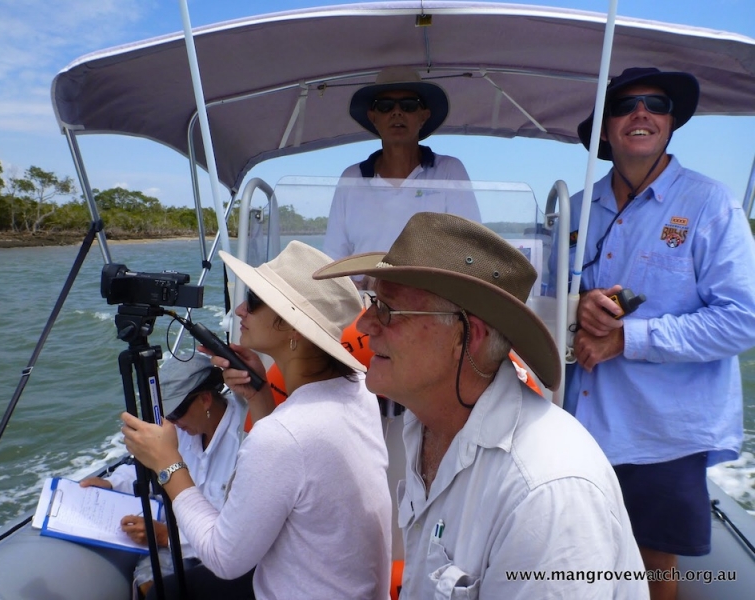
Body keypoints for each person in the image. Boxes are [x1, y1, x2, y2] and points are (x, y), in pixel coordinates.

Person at [313, 211, 647, 599]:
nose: (367, 323)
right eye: (372, 301)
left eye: (389, 309)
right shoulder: (427, 423)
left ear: (470, 336)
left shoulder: (546, 495)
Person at [552, 67, 755, 600]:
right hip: (577, 425)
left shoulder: (710, 204)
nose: (641, 113)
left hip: (663, 433)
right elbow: (542, 301)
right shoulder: (574, 211)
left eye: (656, 103)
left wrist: (626, 338)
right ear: (604, 128)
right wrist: (574, 305)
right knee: (574, 556)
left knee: (651, 568)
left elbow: (742, 319)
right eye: (625, 105)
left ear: (670, 121)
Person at [121, 241, 392, 600]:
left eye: (255, 301)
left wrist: (168, 465)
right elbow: (298, 466)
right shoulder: (357, 391)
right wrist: (258, 396)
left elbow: (224, 558)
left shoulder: (284, 435)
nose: (240, 309)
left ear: (292, 326)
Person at [80, 352, 250, 599]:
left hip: (220, 555)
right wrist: (110, 483)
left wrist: (164, 535)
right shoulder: (179, 427)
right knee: (148, 583)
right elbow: (147, 466)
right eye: (166, 416)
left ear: (205, 399)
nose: (172, 422)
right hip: (177, 538)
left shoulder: (246, 438)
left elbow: (234, 537)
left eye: (176, 412)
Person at [323, 66, 481, 270]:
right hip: (365, 299)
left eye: (408, 105)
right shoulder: (351, 178)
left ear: (423, 116)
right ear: (373, 117)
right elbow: (332, 258)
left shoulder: (450, 171)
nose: (397, 112)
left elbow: (470, 252)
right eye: (385, 106)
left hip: (429, 297)